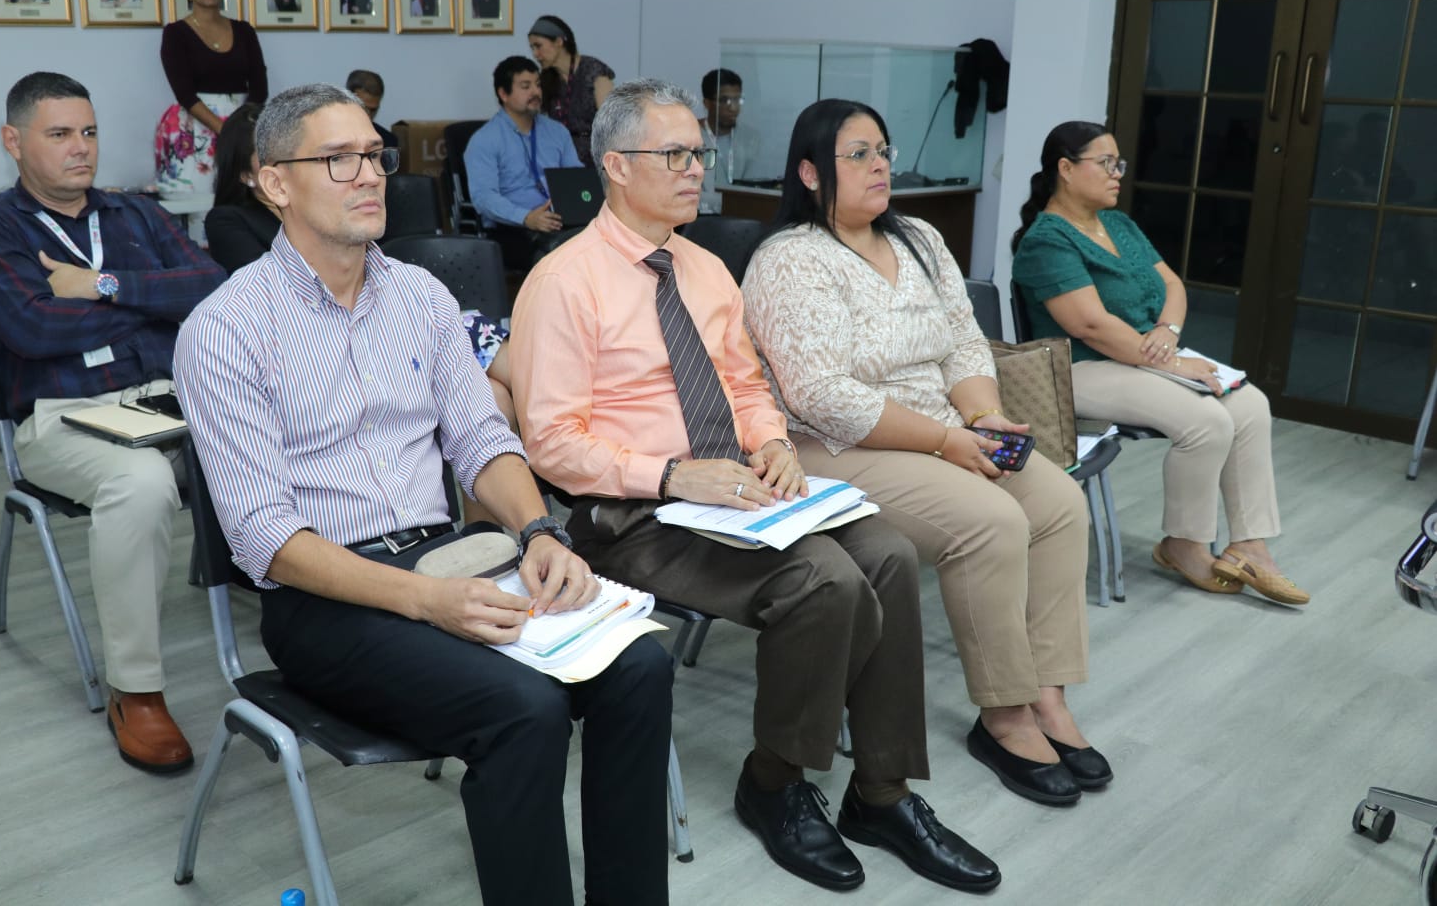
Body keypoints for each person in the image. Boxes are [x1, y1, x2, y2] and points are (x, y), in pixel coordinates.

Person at [173, 83, 671, 906]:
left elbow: (482, 442)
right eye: (339, 159)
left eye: (374, 154)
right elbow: (265, 538)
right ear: (275, 183)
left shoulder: (420, 296)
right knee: (526, 709)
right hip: (326, 597)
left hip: (451, 559)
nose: (370, 174)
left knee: (640, 665)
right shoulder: (226, 330)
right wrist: (427, 603)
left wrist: (540, 531)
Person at [510, 79, 1000, 895]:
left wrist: (772, 442)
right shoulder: (564, 281)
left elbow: (744, 386)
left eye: (697, 154)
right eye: (674, 155)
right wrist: (671, 475)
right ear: (616, 167)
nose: (695, 170)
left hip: (736, 491)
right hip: (630, 515)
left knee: (886, 552)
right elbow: (552, 443)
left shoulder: (705, 269)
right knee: (823, 580)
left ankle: (882, 792)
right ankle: (773, 782)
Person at [740, 99, 1107, 808]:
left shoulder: (919, 239)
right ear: (810, 172)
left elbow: (964, 343)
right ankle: (1004, 715)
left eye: (884, 151)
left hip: (947, 428)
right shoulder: (789, 259)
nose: (879, 165)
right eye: (858, 155)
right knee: (990, 522)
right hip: (834, 446)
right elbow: (821, 395)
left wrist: (985, 416)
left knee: (1060, 503)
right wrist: (947, 440)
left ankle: (1048, 698)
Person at [0, 72, 226, 773]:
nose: (82, 148)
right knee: (141, 482)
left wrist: (99, 286)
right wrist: (151, 308)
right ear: (14, 141)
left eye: (90, 132)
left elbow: (212, 288)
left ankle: (323, 629)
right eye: (60, 134)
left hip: (170, 396)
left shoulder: (137, 214)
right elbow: (33, 329)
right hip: (63, 416)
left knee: (286, 433)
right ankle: (137, 690)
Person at [1011, 120, 1308, 606]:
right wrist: (1172, 365)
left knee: (1250, 404)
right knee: (1206, 421)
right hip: (1079, 370)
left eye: (1119, 164)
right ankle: (1184, 544)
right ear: (1065, 169)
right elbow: (1090, 326)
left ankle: (1249, 544)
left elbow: (1172, 285)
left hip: (1143, 358)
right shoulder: (1047, 241)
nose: (1117, 173)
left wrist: (1167, 333)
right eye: (1106, 163)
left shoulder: (1119, 225)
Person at [155, 0, 268, 215]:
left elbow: (260, 86)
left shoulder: (244, 31)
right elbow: (184, 93)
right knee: (198, 212)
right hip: (194, 130)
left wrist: (241, 129)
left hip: (243, 127)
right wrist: (223, 129)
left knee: (246, 205)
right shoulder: (175, 33)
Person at [464, 55, 582, 270]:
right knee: (564, 255)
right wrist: (526, 218)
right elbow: (484, 197)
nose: (535, 92)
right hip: (513, 228)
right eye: (525, 86)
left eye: (537, 85)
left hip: (561, 221)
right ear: (503, 94)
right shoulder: (484, 140)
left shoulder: (557, 132)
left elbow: (576, 178)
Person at [528, 15, 614, 167]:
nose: (535, 54)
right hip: (557, 159)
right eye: (532, 48)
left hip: (594, 160)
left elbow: (610, 126)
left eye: (538, 46)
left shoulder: (594, 71)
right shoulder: (545, 79)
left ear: (559, 41)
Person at [203, 104, 280, 274]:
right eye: (268, 153)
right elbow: (265, 281)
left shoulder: (317, 206)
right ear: (245, 175)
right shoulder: (226, 221)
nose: (285, 160)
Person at [698, 68, 759, 214]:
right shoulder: (691, 135)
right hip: (700, 217)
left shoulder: (750, 138)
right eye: (725, 100)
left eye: (737, 99)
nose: (734, 108)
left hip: (742, 213)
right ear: (707, 103)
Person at [345, 69, 399, 150]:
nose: (368, 117)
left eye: (373, 110)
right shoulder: (328, 135)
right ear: (347, 99)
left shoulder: (388, 142)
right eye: (363, 108)